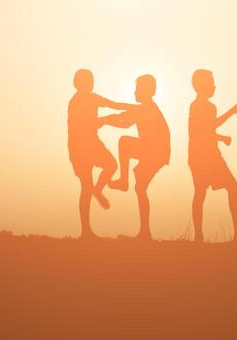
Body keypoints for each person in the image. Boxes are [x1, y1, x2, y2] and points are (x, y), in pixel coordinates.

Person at [99, 74, 170, 240]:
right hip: (155, 151)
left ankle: (123, 180)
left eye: (138, 88)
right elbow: (123, 111)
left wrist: (103, 121)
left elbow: (124, 122)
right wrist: (106, 117)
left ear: (148, 91)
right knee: (140, 188)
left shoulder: (146, 108)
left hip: (155, 151)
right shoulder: (145, 107)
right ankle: (145, 233)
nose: (135, 91)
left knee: (124, 142)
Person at [67, 68, 133, 240]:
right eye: (87, 80)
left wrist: (136, 108)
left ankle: (97, 190)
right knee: (85, 187)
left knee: (111, 165)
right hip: (79, 146)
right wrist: (107, 119)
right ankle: (86, 231)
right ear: (79, 83)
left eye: (91, 80)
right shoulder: (75, 102)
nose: (90, 83)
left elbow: (115, 104)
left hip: (92, 143)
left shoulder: (94, 98)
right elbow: (83, 125)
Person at [188, 69, 237, 243]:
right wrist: (232, 112)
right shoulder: (197, 106)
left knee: (229, 188)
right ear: (200, 86)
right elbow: (202, 130)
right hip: (201, 157)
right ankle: (199, 236)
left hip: (210, 154)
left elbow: (207, 130)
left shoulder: (209, 107)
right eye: (211, 82)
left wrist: (221, 138)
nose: (214, 85)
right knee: (203, 192)